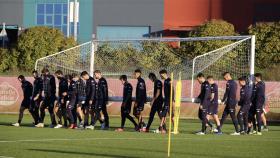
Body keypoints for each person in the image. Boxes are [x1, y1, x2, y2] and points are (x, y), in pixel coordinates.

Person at [159, 70, 174, 134]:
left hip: (169, 100)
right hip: (166, 100)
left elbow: (172, 90)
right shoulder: (165, 81)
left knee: (164, 114)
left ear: (164, 74)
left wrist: (172, 100)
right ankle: (162, 127)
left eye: (160, 75)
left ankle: (161, 127)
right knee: (169, 114)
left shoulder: (169, 80)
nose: (160, 76)